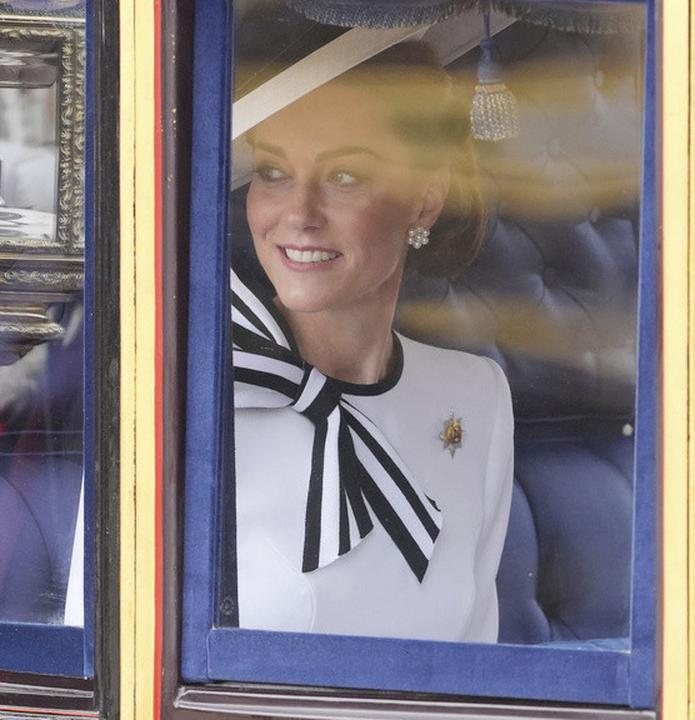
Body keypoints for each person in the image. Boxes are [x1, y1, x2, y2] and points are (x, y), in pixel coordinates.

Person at [230, 43, 513, 643]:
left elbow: (475, 660)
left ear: (425, 200)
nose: (299, 214)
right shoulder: (189, 395)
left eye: (344, 177)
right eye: (273, 172)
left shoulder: (476, 396)